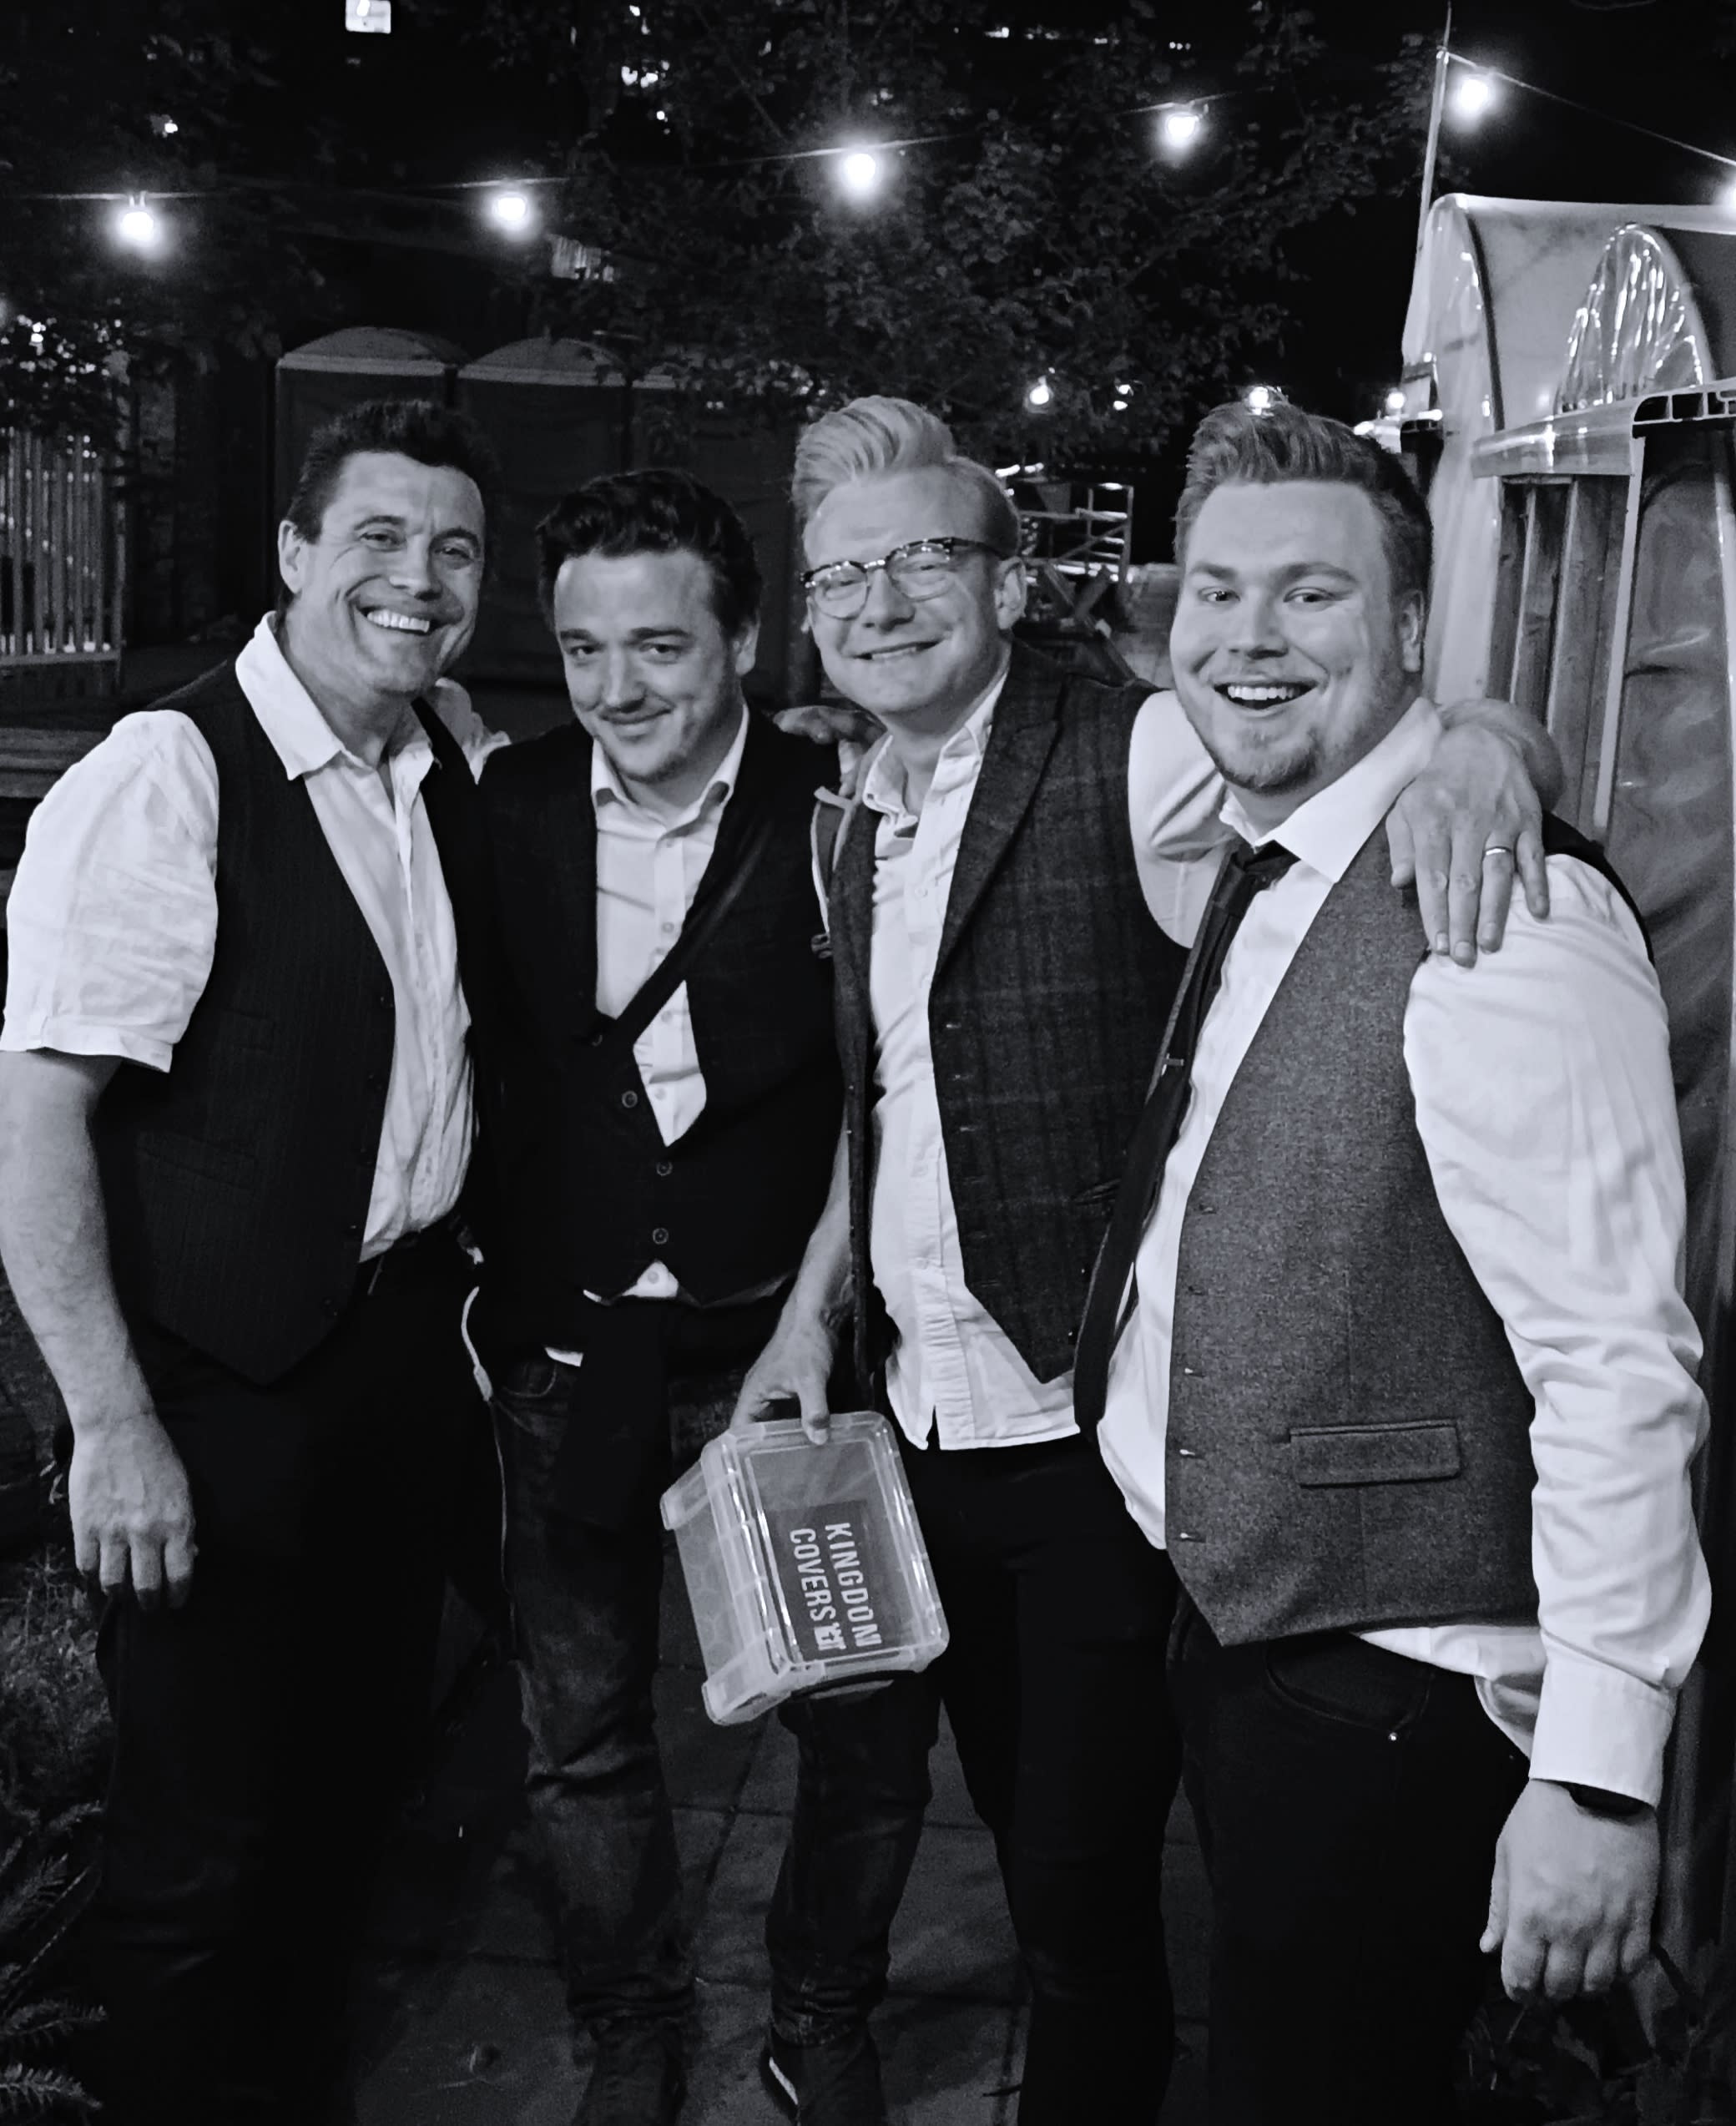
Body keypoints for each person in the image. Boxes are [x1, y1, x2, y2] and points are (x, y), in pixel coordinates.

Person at [734, 394, 1562, 2125]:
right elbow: (893, 1100)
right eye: (840, 576)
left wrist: (1494, 744)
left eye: (920, 558)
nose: (879, 603)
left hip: (1086, 1445)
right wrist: (812, 1310)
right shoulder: (851, 801)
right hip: (916, 1423)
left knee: (1078, 1891)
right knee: (1008, 1831)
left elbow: (1354, 724)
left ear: (1006, 580)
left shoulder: (1130, 747)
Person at [1072, 399, 1710, 2123]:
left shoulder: (1499, 910)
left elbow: (1615, 1360)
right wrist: (1493, 731)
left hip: (1397, 1680)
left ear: (1411, 624)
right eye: (1216, 593)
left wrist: (1595, 1777)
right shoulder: (1270, 825)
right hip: (1249, 1616)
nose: (1248, 637)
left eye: (1310, 593)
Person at [0, 398, 504, 2126]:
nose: (419, 576)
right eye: (379, 536)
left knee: (345, 1796)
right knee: (194, 1849)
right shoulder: (169, 774)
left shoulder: (429, 767)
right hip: (215, 1389)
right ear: (293, 552)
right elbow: (39, 1114)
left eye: (453, 548)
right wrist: (111, 1420)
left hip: (389, 1366)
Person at [468, 468, 905, 2126]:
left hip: (780, 1355)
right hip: (567, 1351)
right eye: (583, 648)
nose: (617, 686)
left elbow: (888, 1079)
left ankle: (822, 2008)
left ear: (739, 638)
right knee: (580, 1730)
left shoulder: (841, 801)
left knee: (858, 1720)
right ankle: (630, 2024)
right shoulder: (502, 800)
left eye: (658, 645)